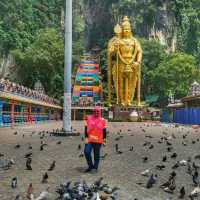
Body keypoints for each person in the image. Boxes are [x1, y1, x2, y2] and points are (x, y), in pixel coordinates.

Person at [84, 107, 107, 173]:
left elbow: (104, 131)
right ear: (93, 112)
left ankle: (95, 168)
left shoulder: (102, 120)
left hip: (98, 140)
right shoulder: (88, 118)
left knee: (96, 154)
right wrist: (86, 138)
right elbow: (86, 129)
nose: (96, 112)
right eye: (95, 111)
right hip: (90, 139)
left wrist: (104, 140)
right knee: (86, 152)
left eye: (98, 111)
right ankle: (90, 166)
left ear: (100, 112)